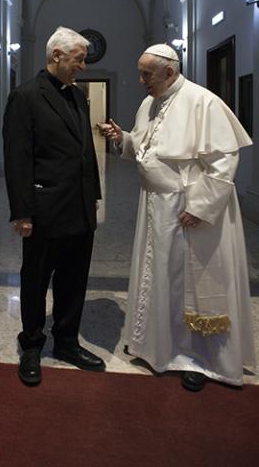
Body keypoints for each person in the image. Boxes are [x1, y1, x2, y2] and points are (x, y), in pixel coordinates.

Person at [98, 43, 256, 391]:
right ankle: (158, 346)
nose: (141, 81)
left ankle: (196, 357)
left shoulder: (203, 101)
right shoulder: (149, 103)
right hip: (155, 205)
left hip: (188, 208)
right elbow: (145, 146)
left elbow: (223, 163)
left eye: (146, 74)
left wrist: (200, 207)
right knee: (160, 276)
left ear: (169, 71)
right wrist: (122, 138)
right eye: (140, 73)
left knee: (187, 283)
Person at [3, 26, 105, 386]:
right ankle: (31, 344)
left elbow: (84, 153)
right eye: (78, 59)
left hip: (78, 208)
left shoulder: (77, 97)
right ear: (56, 55)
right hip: (44, 210)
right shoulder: (25, 96)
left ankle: (66, 341)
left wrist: (93, 197)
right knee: (35, 280)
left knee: (74, 280)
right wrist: (22, 211)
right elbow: (17, 158)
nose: (83, 66)